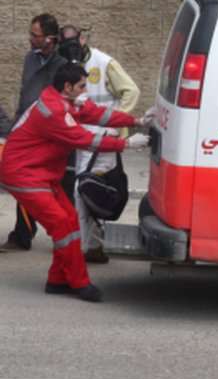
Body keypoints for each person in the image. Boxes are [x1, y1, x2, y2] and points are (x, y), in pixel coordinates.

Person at [0, 63, 151, 302]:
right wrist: (126, 144)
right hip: (24, 174)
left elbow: (98, 114)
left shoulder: (64, 100)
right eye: (82, 86)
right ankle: (80, 282)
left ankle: (58, 280)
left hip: (42, 172)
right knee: (62, 223)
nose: (86, 91)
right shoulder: (54, 111)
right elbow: (85, 140)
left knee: (70, 219)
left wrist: (136, 120)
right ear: (68, 87)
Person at [59, 25, 142, 264]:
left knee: (85, 190)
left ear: (83, 39)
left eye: (74, 43)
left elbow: (132, 92)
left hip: (103, 137)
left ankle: (84, 248)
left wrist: (117, 124)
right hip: (83, 138)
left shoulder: (104, 63)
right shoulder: (70, 65)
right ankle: (93, 247)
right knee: (89, 190)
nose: (71, 49)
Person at [0, 14, 68, 252]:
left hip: (50, 134)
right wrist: (13, 127)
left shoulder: (62, 62)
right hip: (26, 130)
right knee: (25, 180)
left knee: (51, 185)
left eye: (34, 35)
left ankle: (64, 232)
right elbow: (25, 92)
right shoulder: (30, 58)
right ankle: (23, 234)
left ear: (50, 38)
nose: (30, 38)